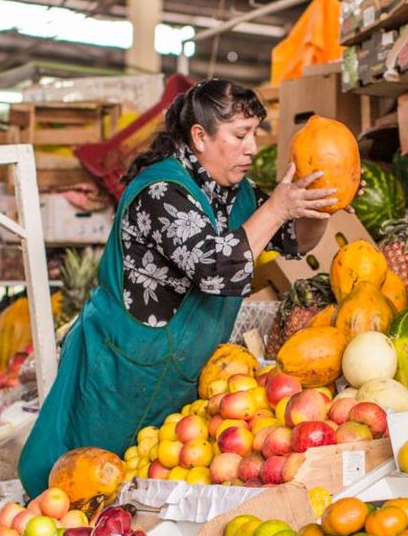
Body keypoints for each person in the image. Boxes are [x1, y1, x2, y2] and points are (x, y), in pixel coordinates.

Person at [18, 79, 337, 494]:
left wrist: (321, 205)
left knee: (149, 485)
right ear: (200, 137)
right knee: (80, 483)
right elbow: (215, 267)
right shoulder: (161, 192)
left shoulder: (236, 194)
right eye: (240, 135)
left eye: (255, 134)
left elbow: (297, 240)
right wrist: (277, 208)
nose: (252, 147)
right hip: (118, 371)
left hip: (179, 376)